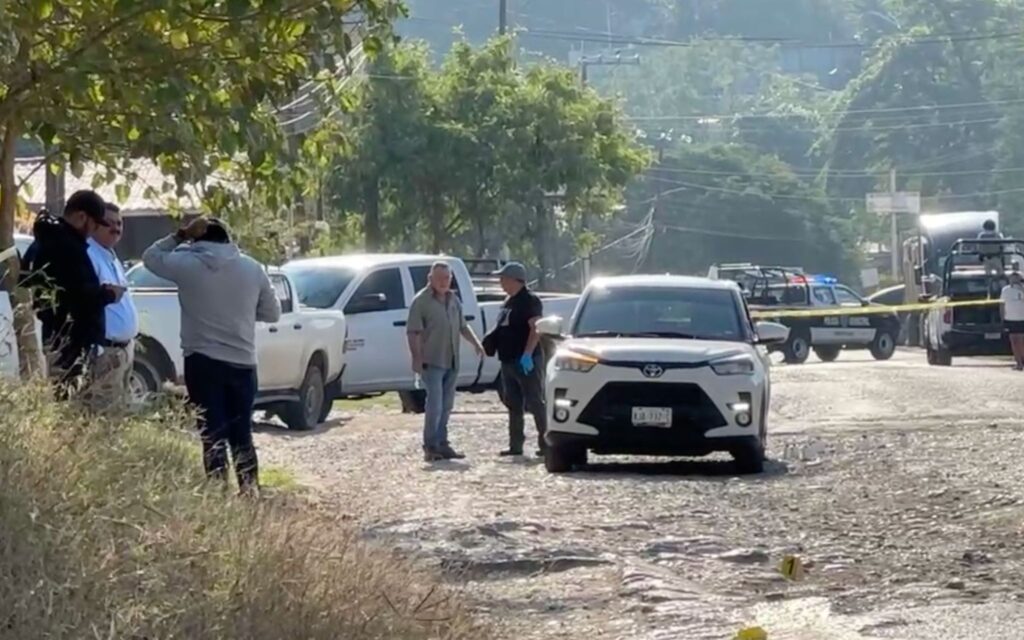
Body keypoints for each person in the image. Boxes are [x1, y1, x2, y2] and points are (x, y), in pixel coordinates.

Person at [142, 217, 280, 493]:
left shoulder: (187, 265)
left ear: (196, 241)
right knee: (242, 434)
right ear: (228, 239)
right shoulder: (252, 269)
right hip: (242, 361)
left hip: (202, 361)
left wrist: (180, 235)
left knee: (212, 433)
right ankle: (250, 492)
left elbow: (151, 257)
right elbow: (272, 313)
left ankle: (217, 496)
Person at [24, 191, 125, 392]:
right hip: (70, 344)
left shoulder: (47, 242)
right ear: (81, 217)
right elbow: (79, 298)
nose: (93, 231)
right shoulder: (66, 248)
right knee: (73, 403)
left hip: (62, 340)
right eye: (95, 225)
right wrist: (109, 295)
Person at [406, 262, 485, 462]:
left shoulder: (453, 299)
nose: (443, 282)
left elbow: (463, 326)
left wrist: (476, 343)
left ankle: (443, 443)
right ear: (430, 279)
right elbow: (413, 331)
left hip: (451, 360)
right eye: (439, 278)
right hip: (432, 360)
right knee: (435, 405)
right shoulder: (421, 301)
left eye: (447, 278)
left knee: (447, 404)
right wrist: (416, 357)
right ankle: (430, 445)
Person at [483, 262, 548, 457]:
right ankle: (516, 445)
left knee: (535, 402)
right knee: (513, 403)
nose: (501, 283)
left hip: (526, 360)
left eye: (503, 279)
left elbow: (535, 328)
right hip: (508, 360)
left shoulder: (529, 300)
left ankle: (546, 444)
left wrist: (528, 354)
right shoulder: (508, 301)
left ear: (514, 280)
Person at [81, 202, 138, 410]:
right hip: (105, 350)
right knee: (102, 413)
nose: (116, 228)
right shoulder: (89, 254)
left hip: (124, 350)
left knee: (118, 411)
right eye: (110, 223)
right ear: (95, 224)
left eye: (120, 223)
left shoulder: (110, 254)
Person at [1001, 269, 1024, 370]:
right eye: (1012, 278)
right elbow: (1002, 304)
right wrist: (1002, 317)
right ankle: (1018, 363)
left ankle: (1022, 360)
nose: (1014, 280)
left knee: (1021, 341)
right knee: (1013, 341)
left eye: (1016, 278)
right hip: (1010, 318)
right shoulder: (1005, 290)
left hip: (1022, 318)